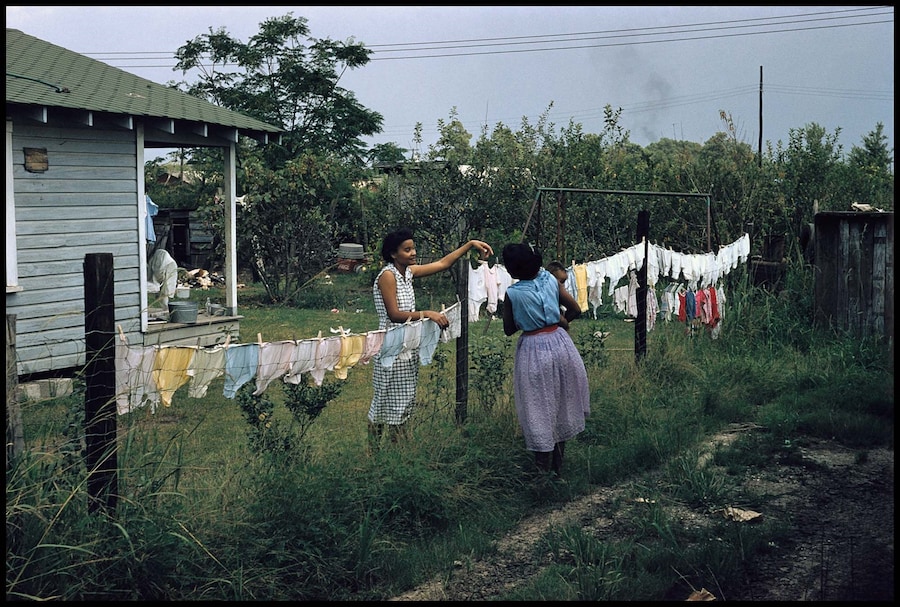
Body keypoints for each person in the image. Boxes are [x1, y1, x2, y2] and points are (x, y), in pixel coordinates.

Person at [368, 228, 493, 450]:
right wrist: (428, 314)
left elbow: (443, 264)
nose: (413, 253)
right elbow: (394, 315)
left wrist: (470, 244)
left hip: (408, 345)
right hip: (390, 347)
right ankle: (373, 450)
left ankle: (398, 448)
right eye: (407, 250)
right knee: (383, 402)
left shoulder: (407, 273)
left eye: (413, 248)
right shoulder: (388, 276)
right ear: (393, 254)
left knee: (403, 400)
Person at [502, 243, 590, 476]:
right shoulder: (550, 280)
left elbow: (509, 329)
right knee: (561, 403)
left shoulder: (512, 294)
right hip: (561, 345)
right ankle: (558, 470)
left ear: (512, 271)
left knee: (537, 407)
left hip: (533, 350)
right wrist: (560, 320)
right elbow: (575, 309)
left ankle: (541, 471)